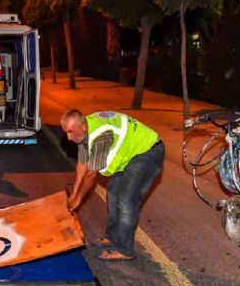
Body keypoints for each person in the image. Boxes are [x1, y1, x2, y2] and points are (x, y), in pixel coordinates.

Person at [61, 109, 165, 261]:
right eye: (66, 133)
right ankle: (113, 237)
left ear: (82, 126)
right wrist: (74, 193)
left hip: (148, 152)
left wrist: (79, 199)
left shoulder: (100, 135)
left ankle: (125, 250)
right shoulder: (84, 130)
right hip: (130, 155)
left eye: (71, 132)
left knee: (126, 201)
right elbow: (83, 163)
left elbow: (91, 174)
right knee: (113, 193)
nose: (69, 137)